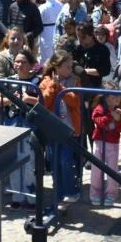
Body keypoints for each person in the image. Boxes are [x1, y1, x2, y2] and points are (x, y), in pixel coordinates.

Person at [0, 48, 40, 209]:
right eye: (17, 61)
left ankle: (31, 196)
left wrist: (28, 99)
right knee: (15, 162)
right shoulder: (8, 81)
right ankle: (17, 196)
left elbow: (45, 101)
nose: (19, 64)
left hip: (30, 127)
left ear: (31, 65)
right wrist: (11, 100)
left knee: (29, 162)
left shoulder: (36, 82)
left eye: (23, 62)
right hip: (12, 126)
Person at [40, 51, 83, 206]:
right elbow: (44, 101)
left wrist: (61, 88)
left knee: (65, 160)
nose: (70, 69)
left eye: (71, 66)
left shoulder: (75, 81)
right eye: (67, 66)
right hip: (52, 128)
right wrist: (53, 85)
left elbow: (74, 101)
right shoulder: (46, 81)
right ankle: (58, 195)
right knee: (54, 162)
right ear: (56, 67)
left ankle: (71, 191)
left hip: (68, 128)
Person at [89, 81, 121, 207]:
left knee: (112, 169)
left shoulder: (119, 110)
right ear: (106, 97)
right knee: (96, 169)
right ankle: (95, 193)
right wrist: (111, 116)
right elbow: (99, 121)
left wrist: (118, 119)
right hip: (99, 142)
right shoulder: (100, 109)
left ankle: (111, 194)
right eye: (114, 96)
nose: (117, 99)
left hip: (113, 143)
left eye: (118, 96)